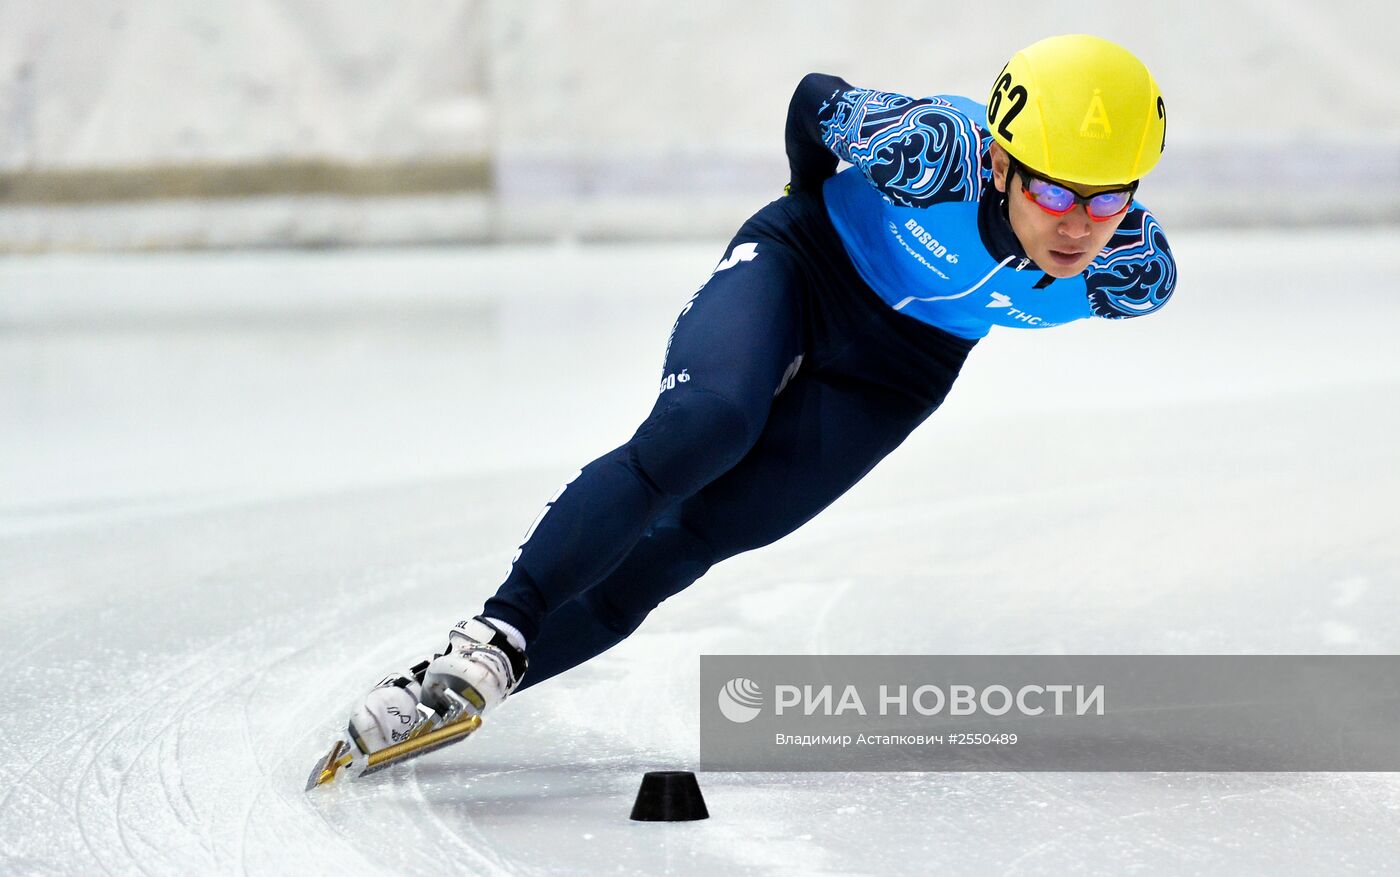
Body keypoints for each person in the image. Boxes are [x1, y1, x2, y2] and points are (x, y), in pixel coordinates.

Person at [344, 34, 1176, 756]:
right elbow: (815, 100)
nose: (1078, 224)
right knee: (705, 428)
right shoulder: (931, 150)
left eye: (1108, 198)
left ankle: (460, 688)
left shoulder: (1132, 272)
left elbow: (1091, 247)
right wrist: (802, 194)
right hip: (805, 264)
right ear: (998, 161)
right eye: (1055, 191)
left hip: (902, 367)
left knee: (693, 539)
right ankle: (500, 627)